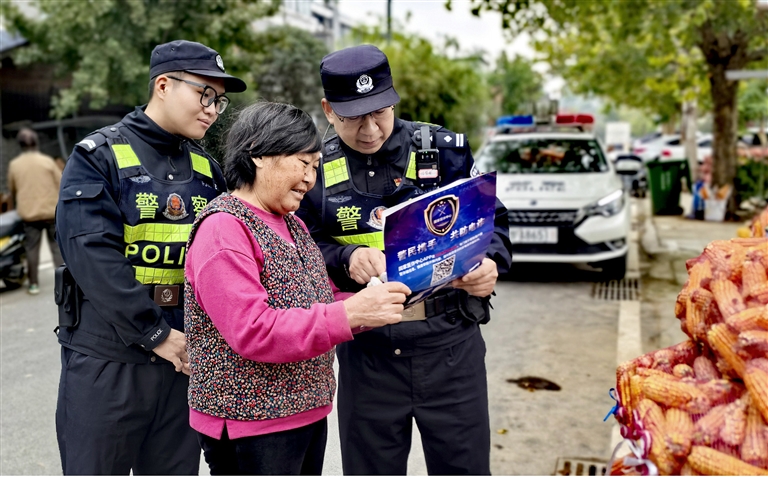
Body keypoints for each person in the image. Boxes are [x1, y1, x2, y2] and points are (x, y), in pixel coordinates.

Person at [296, 44, 513, 475]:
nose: (370, 127)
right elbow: (299, 246)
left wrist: (490, 263)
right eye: (354, 115)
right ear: (328, 109)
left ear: (394, 97)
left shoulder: (442, 150)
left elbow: (494, 222)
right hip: (369, 354)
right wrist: (345, 255)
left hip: (450, 344)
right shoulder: (313, 167)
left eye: (379, 110)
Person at [185, 101, 411, 475]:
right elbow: (253, 330)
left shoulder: (292, 224)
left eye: (316, 166)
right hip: (252, 424)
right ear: (259, 155)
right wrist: (351, 313)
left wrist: (372, 305)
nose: (310, 178)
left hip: (303, 411)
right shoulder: (224, 228)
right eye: (303, 163)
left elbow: (320, 302)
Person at [54, 40, 245, 475]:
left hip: (182, 362)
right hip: (111, 361)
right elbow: (93, 257)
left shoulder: (206, 168)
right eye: (205, 94)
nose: (213, 109)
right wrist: (156, 333)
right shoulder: (97, 157)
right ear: (163, 84)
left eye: (219, 100)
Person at [7, 128, 64, 294]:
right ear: (36, 142)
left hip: (29, 214)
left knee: (32, 248)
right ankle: (65, 283)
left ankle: (33, 284)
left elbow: (12, 189)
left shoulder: (14, 165)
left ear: (20, 145)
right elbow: (60, 183)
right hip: (50, 212)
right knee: (56, 248)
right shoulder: (47, 161)